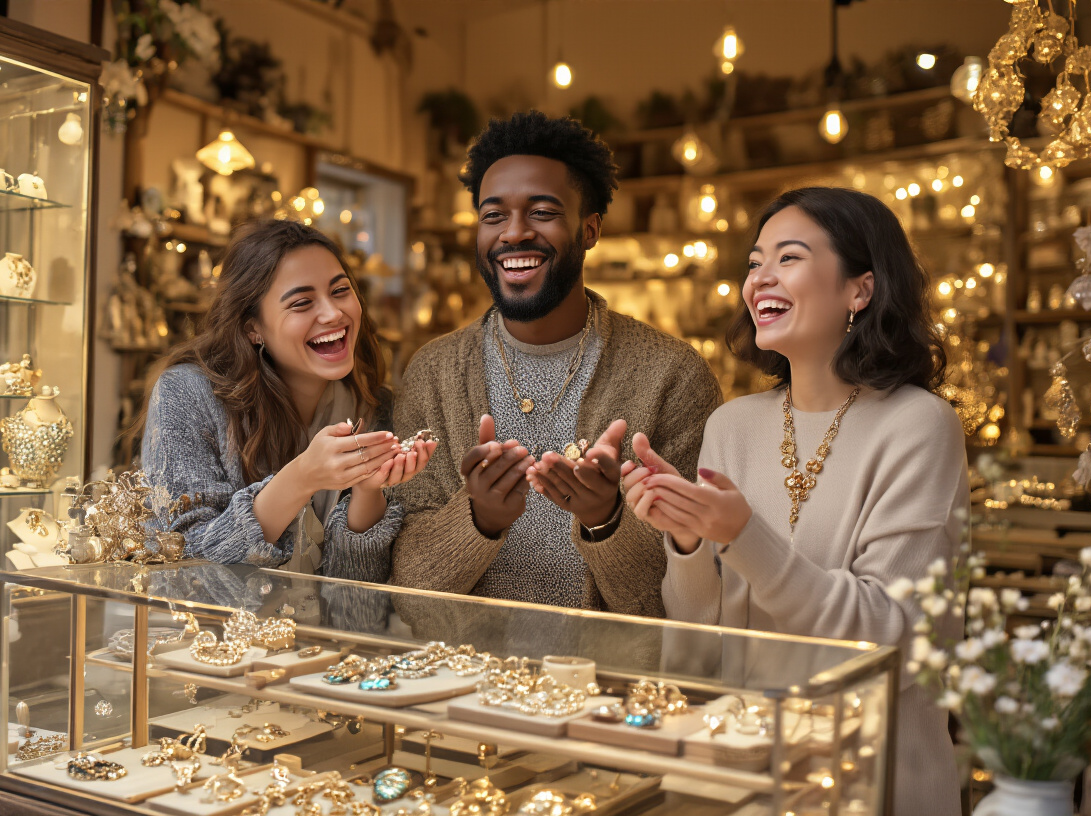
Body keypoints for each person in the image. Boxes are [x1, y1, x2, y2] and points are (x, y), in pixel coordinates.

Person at [623, 187, 965, 815]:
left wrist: (744, 536)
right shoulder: (732, 425)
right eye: (755, 262)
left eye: (789, 257)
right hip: (746, 778)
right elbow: (699, 643)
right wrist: (689, 538)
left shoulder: (920, 424)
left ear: (860, 290)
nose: (760, 279)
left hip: (871, 780)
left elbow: (889, 636)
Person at [389, 111, 720, 616]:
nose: (513, 233)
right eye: (493, 215)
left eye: (542, 212)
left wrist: (606, 520)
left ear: (590, 229)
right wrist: (478, 518)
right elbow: (406, 592)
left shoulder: (672, 377)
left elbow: (684, 603)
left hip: (604, 669)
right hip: (459, 665)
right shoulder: (433, 374)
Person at [137, 218, 436, 576]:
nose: (333, 313)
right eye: (302, 302)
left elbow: (357, 600)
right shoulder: (188, 394)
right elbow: (182, 563)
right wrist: (302, 477)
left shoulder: (374, 408)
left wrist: (367, 491)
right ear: (253, 328)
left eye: (340, 290)